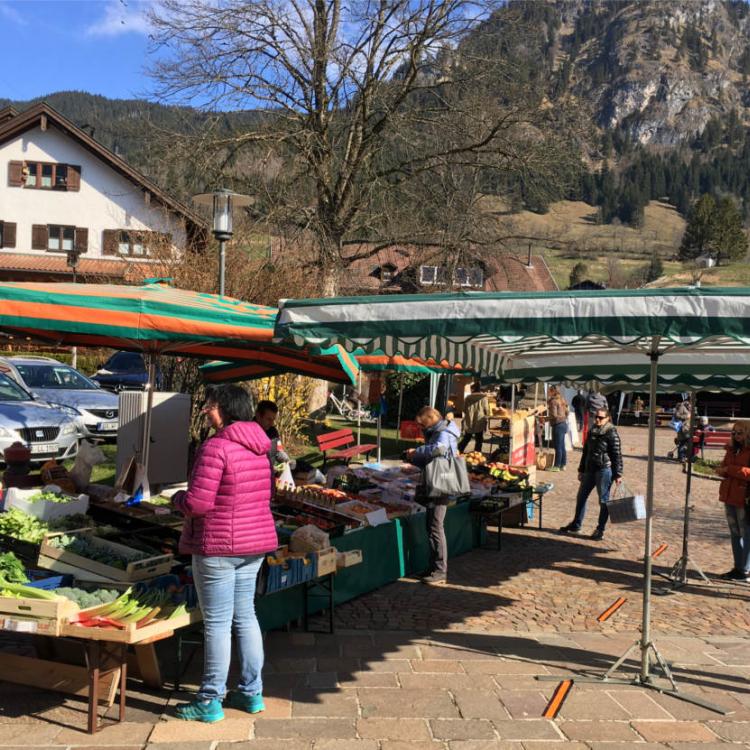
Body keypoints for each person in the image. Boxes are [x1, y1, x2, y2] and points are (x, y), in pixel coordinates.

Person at [172, 385, 278, 723]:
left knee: (217, 623)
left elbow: (198, 503)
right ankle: (250, 692)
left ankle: (209, 699)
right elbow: (267, 494)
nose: (206, 410)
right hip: (255, 544)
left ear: (226, 409)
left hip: (218, 546)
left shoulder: (216, 447)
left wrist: (175, 500)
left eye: (211, 405)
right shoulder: (262, 446)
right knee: (245, 617)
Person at [405, 406, 461, 585]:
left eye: (422, 425)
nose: (421, 429)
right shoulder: (441, 430)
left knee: (436, 526)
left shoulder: (443, 433)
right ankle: (433, 567)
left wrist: (417, 452)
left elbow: (439, 449)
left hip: (442, 482)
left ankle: (439, 570)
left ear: (429, 421)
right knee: (432, 526)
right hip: (438, 480)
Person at [560, 406, 623, 541]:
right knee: (581, 497)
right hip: (590, 469)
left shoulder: (611, 433)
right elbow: (586, 452)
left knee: (603, 501)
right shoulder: (592, 431)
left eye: (601, 417)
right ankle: (576, 524)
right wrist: (581, 469)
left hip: (604, 470)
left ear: (607, 418)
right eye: (596, 417)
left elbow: (617, 454)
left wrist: (618, 474)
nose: (597, 419)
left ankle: (600, 529)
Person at [715, 421, 750, 582]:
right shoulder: (731, 449)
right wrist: (722, 470)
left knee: (746, 534)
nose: (736, 436)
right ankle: (738, 567)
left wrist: (729, 470)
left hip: (745, 498)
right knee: (735, 534)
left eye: (740, 433)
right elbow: (724, 466)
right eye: (734, 433)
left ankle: (745, 569)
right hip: (729, 496)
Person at [254, 400, 291, 467]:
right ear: (258, 416)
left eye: (273, 420)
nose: (272, 423)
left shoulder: (273, 432)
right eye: (269, 419)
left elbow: (279, 451)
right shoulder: (247, 433)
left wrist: (287, 460)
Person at [458, 383, 490, 454]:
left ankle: (459, 450)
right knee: (479, 439)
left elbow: (464, 409)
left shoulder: (468, 397)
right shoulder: (484, 397)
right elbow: (486, 410)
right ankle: (477, 453)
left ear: (473, 389)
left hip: (469, 419)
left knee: (467, 437)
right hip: (479, 419)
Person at [547, 385, 569, 472]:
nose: (548, 392)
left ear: (553, 392)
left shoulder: (553, 401)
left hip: (558, 425)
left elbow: (554, 415)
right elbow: (567, 412)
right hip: (563, 424)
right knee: (562, 446)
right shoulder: (562, 399)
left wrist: (545, 419)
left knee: (558, 446)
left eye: (549, 391)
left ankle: (557, 465)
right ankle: (563, 465)